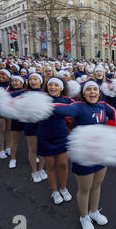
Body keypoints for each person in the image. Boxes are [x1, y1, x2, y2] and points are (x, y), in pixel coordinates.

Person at [51, 80, 116, 229]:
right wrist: (46, 104)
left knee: (97, 185)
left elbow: (114, 113)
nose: (92, 92)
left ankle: (94, 211)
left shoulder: (103, 105)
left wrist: (115, 127)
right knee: (84, 189)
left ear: (99, 92)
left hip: (101, 152)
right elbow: (61, 110)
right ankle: (84, 216)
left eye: (95, 89)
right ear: (83, 93)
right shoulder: (79, 106)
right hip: (84, 154)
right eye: (88, 89)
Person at [36, 77, 74, 205]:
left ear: (62, 88)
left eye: (56, 85)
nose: (52, 87)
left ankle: (63, 188)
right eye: (50, 85)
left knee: (63, 164)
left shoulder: (67, 100)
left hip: (62, 136)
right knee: (50, 166)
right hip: (45, 136)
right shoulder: (40, 99)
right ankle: (55, 191)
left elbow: (78, 110)